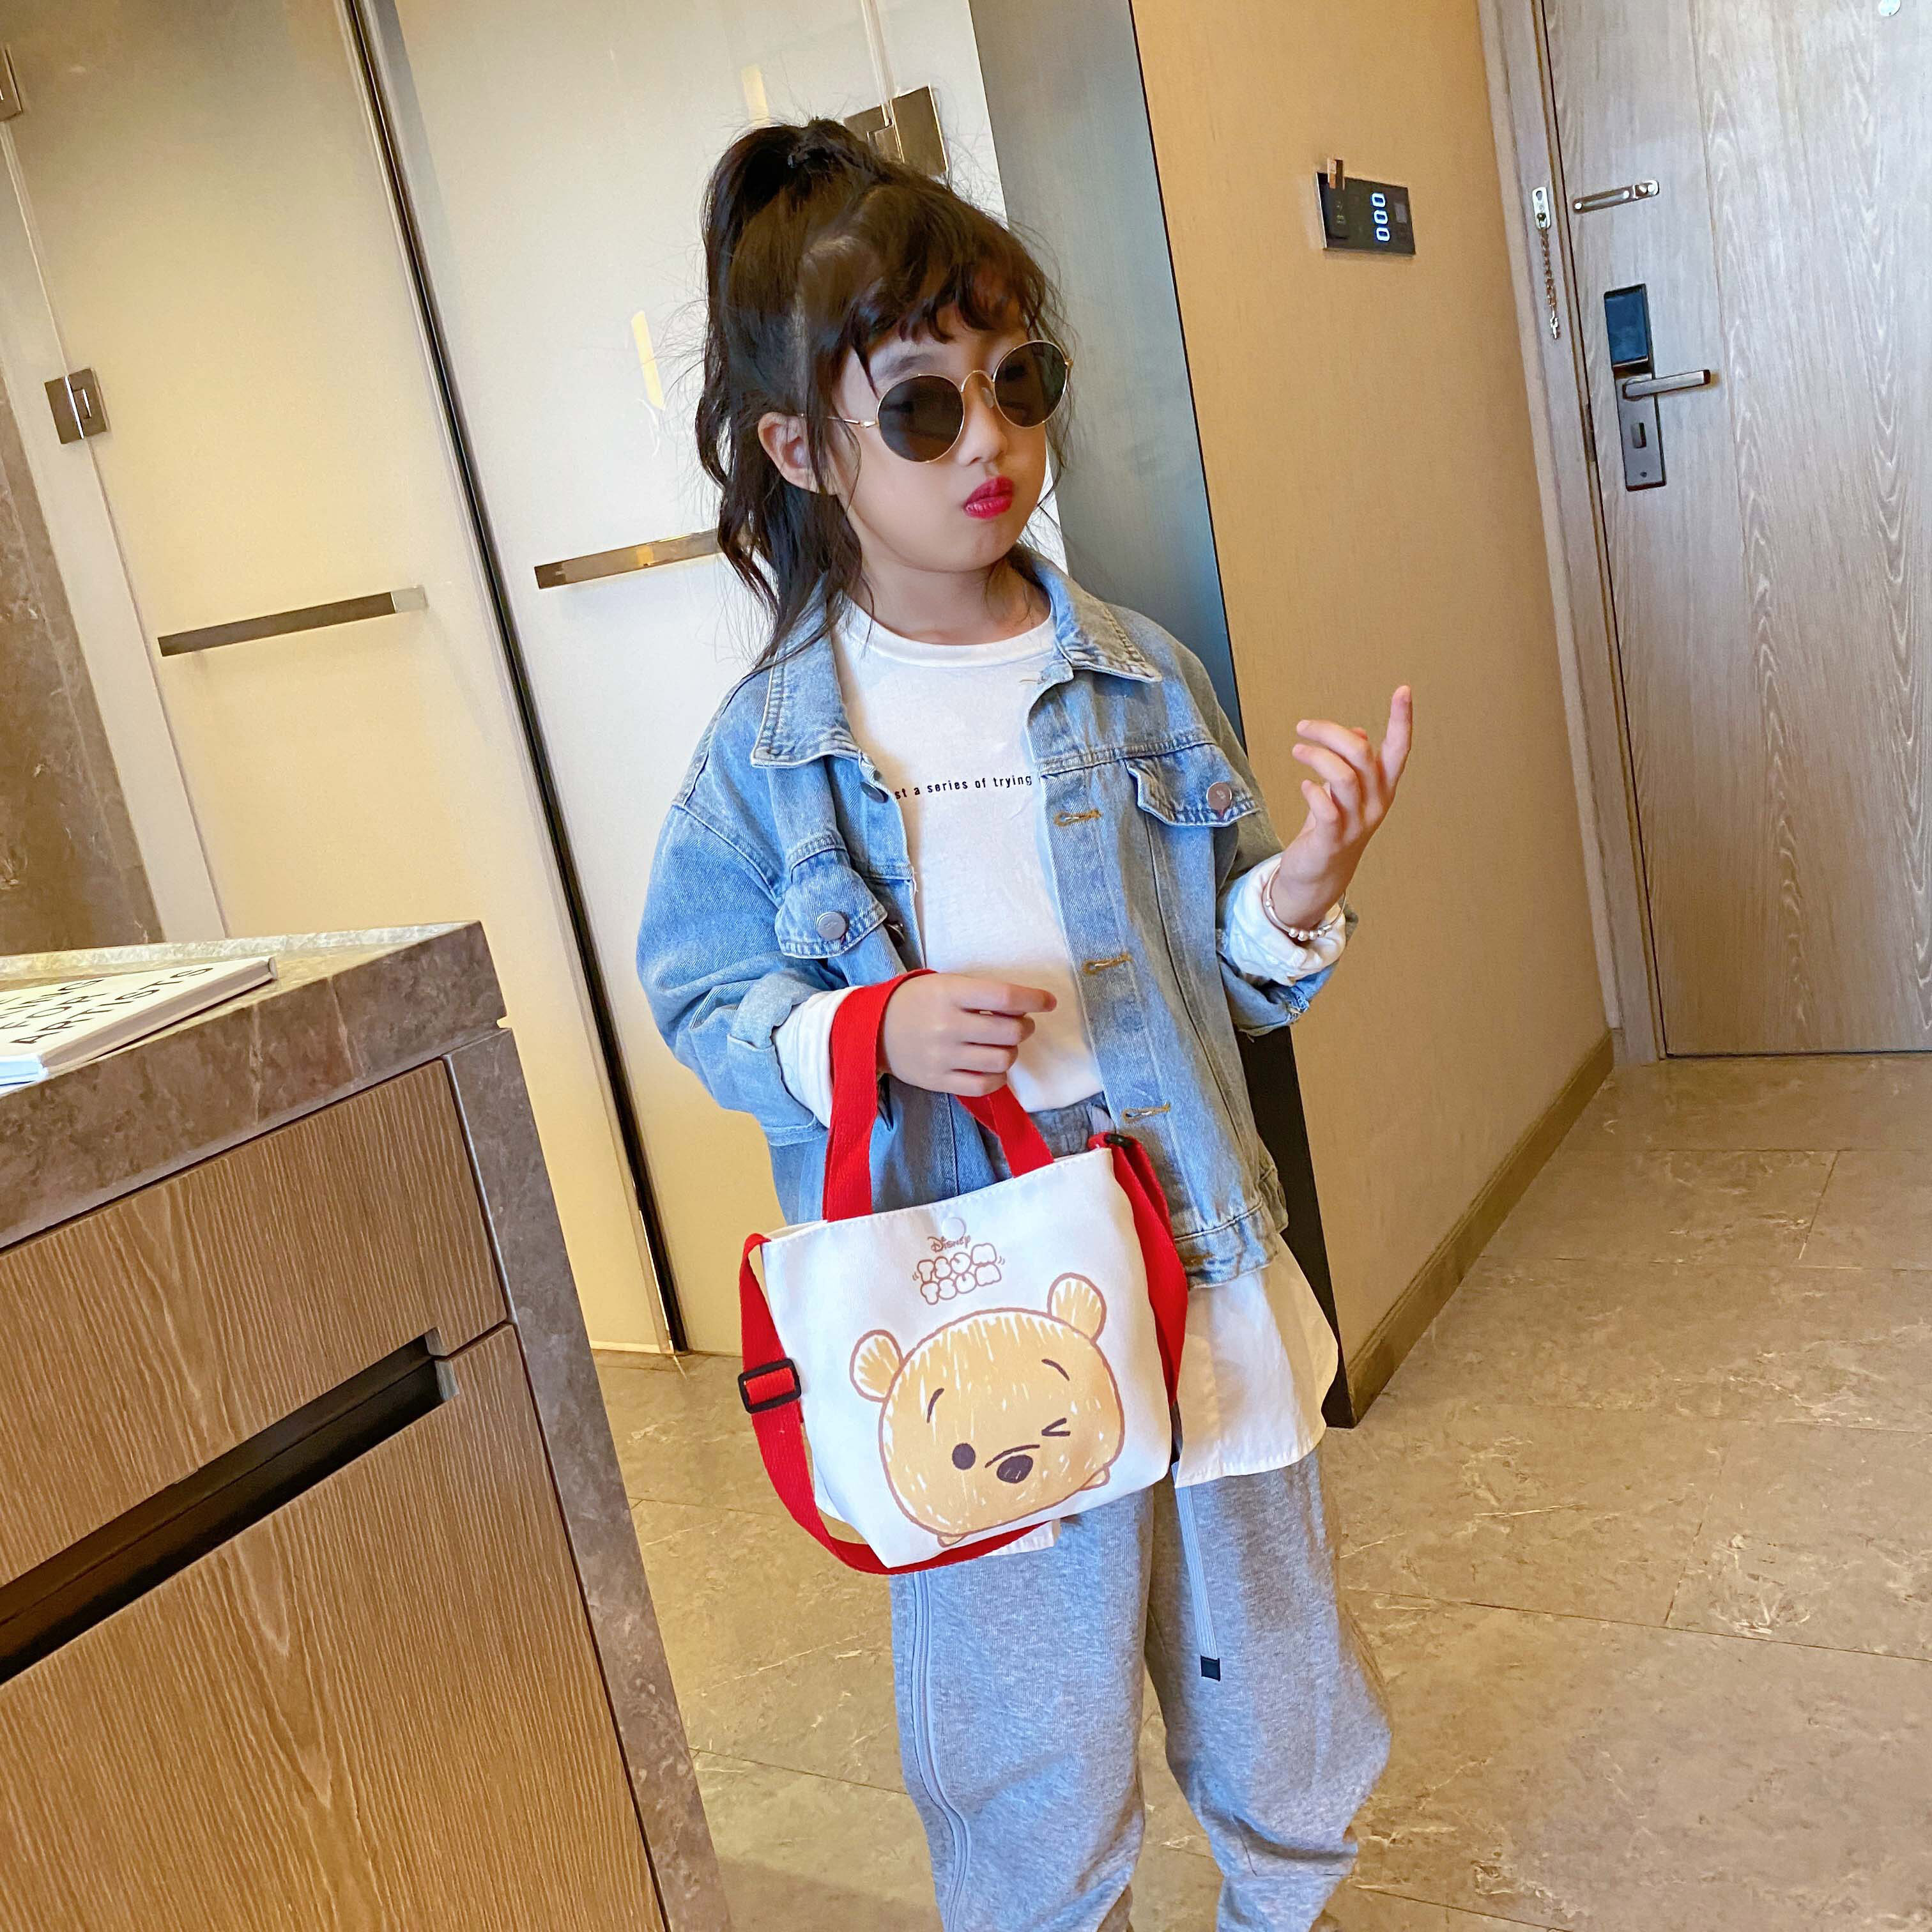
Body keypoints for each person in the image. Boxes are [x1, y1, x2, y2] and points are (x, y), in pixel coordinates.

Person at [638, 116, 1413, 1932]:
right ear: (800, 450)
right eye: (922, 408)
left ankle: (1284, 1905)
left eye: (1020, 382)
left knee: (1275, 1685)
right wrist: (870, 1033)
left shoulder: (1142, 678)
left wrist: (1299, 891)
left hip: (1199, 1265)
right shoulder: (775, 753)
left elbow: (1226, 968)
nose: (989, 441)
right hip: (970, 1316)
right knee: (1024, 1741)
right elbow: (704, 993)